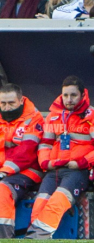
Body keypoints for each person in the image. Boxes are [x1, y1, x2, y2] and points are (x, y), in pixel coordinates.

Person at [25, 76, 94, 239]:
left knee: (58, 201)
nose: (69, 99)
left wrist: (79, 163)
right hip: (54, 169)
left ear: (83, 95)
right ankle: (36, 237)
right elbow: (45, 144)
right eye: (65, 95)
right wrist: (45, 162)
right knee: (39, 203)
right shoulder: (53, 116)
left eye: (73, 95)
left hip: (78, 170)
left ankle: (35, 238)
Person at [0, 83, 44, 238]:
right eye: (3, 103)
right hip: (4, 170)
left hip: (28, 171)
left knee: (2, 190)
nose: (6, 108)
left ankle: (4, 238)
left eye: (11, 103)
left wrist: (4, 172)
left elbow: (26, 152)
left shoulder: (34, 119)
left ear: (20, 101)